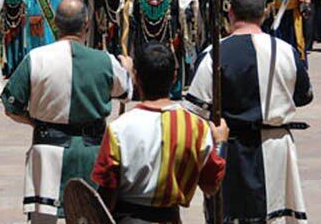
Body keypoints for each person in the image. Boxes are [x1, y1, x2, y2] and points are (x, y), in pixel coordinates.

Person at [187, 0, 312, 223]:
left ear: (230, 12)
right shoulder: (286, 51)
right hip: (275, 148)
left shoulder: (214, 54)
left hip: (231, 152)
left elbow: (196, 110)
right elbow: (303, 95)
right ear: (264, 13)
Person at [2, 0, 133, 223]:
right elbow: (126, 93)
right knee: (90, 216)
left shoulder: (35, 58)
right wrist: (127, 70)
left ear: (56, 23)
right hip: (92, 152)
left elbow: (11, 106)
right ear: (86, 25)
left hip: (47, 153)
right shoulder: (105, 60)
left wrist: (35, 122)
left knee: (44, 218)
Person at [92, 42, 227, 223]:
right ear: (174, 77)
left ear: (136, 78)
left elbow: (107, 191)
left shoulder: (119, 128)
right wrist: (220, 143)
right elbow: (211, 186)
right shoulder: (197, 128)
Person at [133, 0, 193, 99]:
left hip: (168, 26)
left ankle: (172, 90)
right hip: (144, 26)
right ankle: (144, 90)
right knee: (145, 59)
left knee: (169, 58)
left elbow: (182, 3)